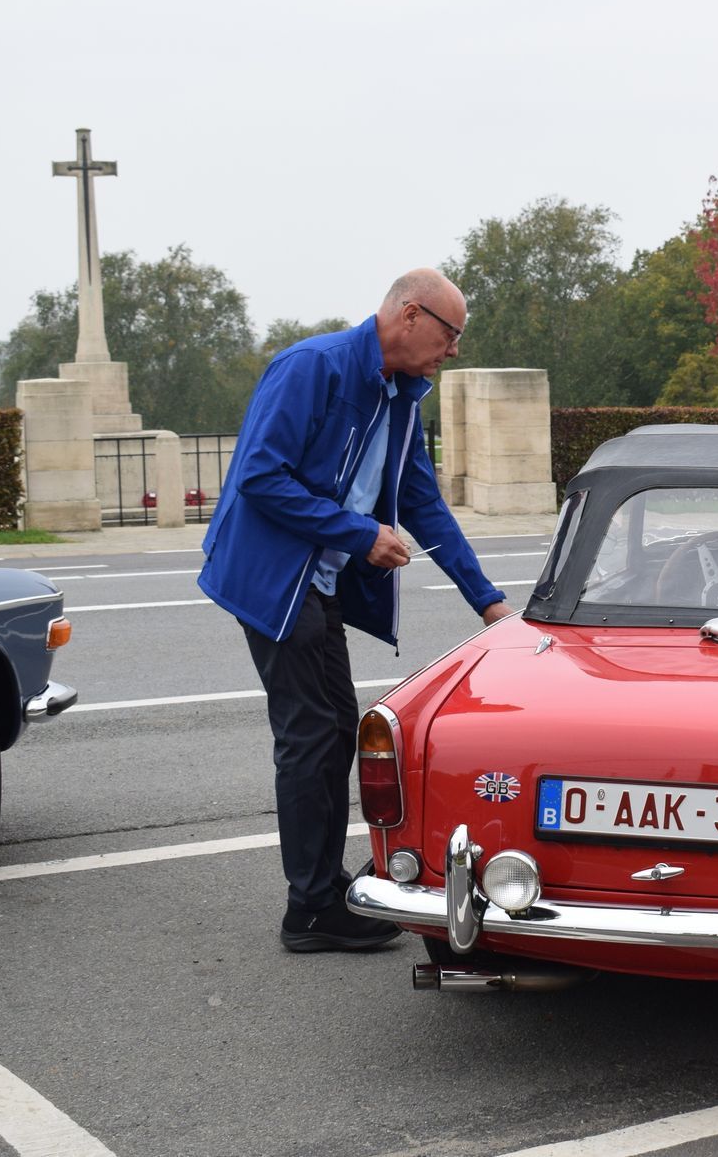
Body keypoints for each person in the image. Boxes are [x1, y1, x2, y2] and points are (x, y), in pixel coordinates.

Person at [199, 270, 515, 952]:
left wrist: (488, 600)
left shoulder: (402, 397)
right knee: (311, 735)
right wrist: (359, 533)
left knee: (340, 728)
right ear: (410, 315)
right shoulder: (311, 367)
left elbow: (423, 503)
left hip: (318, 583)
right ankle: (310, 908)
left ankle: (323, 889)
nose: (454, 350)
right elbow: (259, 476)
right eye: (450, 334)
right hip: (273, 581)